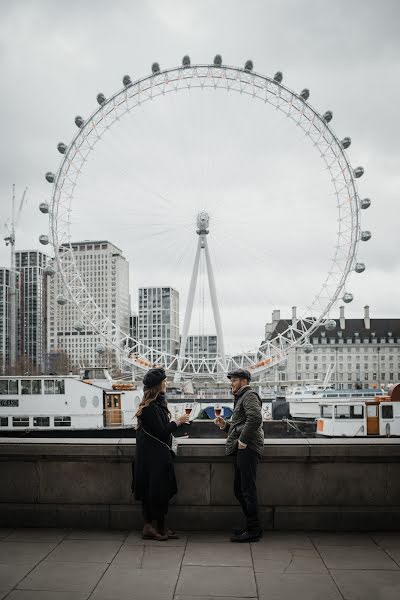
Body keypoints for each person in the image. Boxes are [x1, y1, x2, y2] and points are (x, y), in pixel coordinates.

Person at [132, 367, 189, 540]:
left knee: (160, 492)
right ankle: (149, 527)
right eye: (164, 381)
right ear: (157, 385)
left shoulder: (157, 404)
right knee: (153, 492)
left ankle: (161, 527)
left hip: (156, 456)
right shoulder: (150, 408)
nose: (167, 383)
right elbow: (161, 431)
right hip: (152, 459)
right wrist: (177, 422)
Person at [214, 368, 264, 542]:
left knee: (247, 490)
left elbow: (256, 418)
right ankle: (251, 526)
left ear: (244, 381)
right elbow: (241, 424)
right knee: (240, 489)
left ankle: (254, 530)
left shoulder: (249, 396)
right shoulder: (241, 397)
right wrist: (225, 425)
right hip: (243, 447)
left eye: (234, 380)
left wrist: (243, 441)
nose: (231, 383)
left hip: (248, 448)